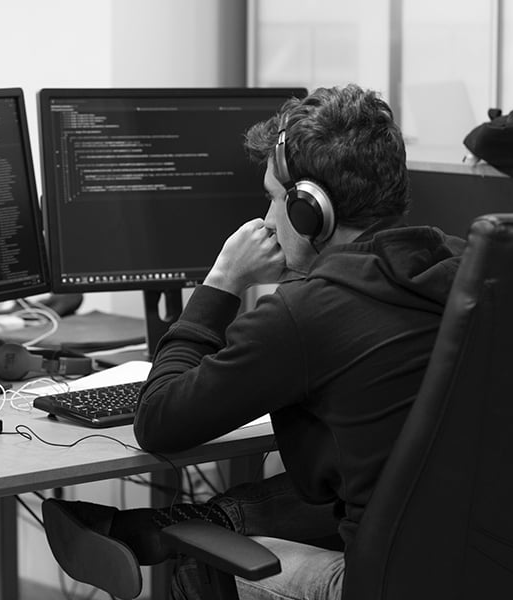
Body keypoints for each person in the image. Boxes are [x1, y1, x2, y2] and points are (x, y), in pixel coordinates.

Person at [42, 84, 465, 600]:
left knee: (204, 563)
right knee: (361, 483)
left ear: (311, 210)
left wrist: (222, 282)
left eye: (274, 198)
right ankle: (168, 527)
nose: (267, 219)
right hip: (501, 565)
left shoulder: (307, 313)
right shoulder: (468, 271)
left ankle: (172, 537)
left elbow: (157, 421)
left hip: (384, 585)